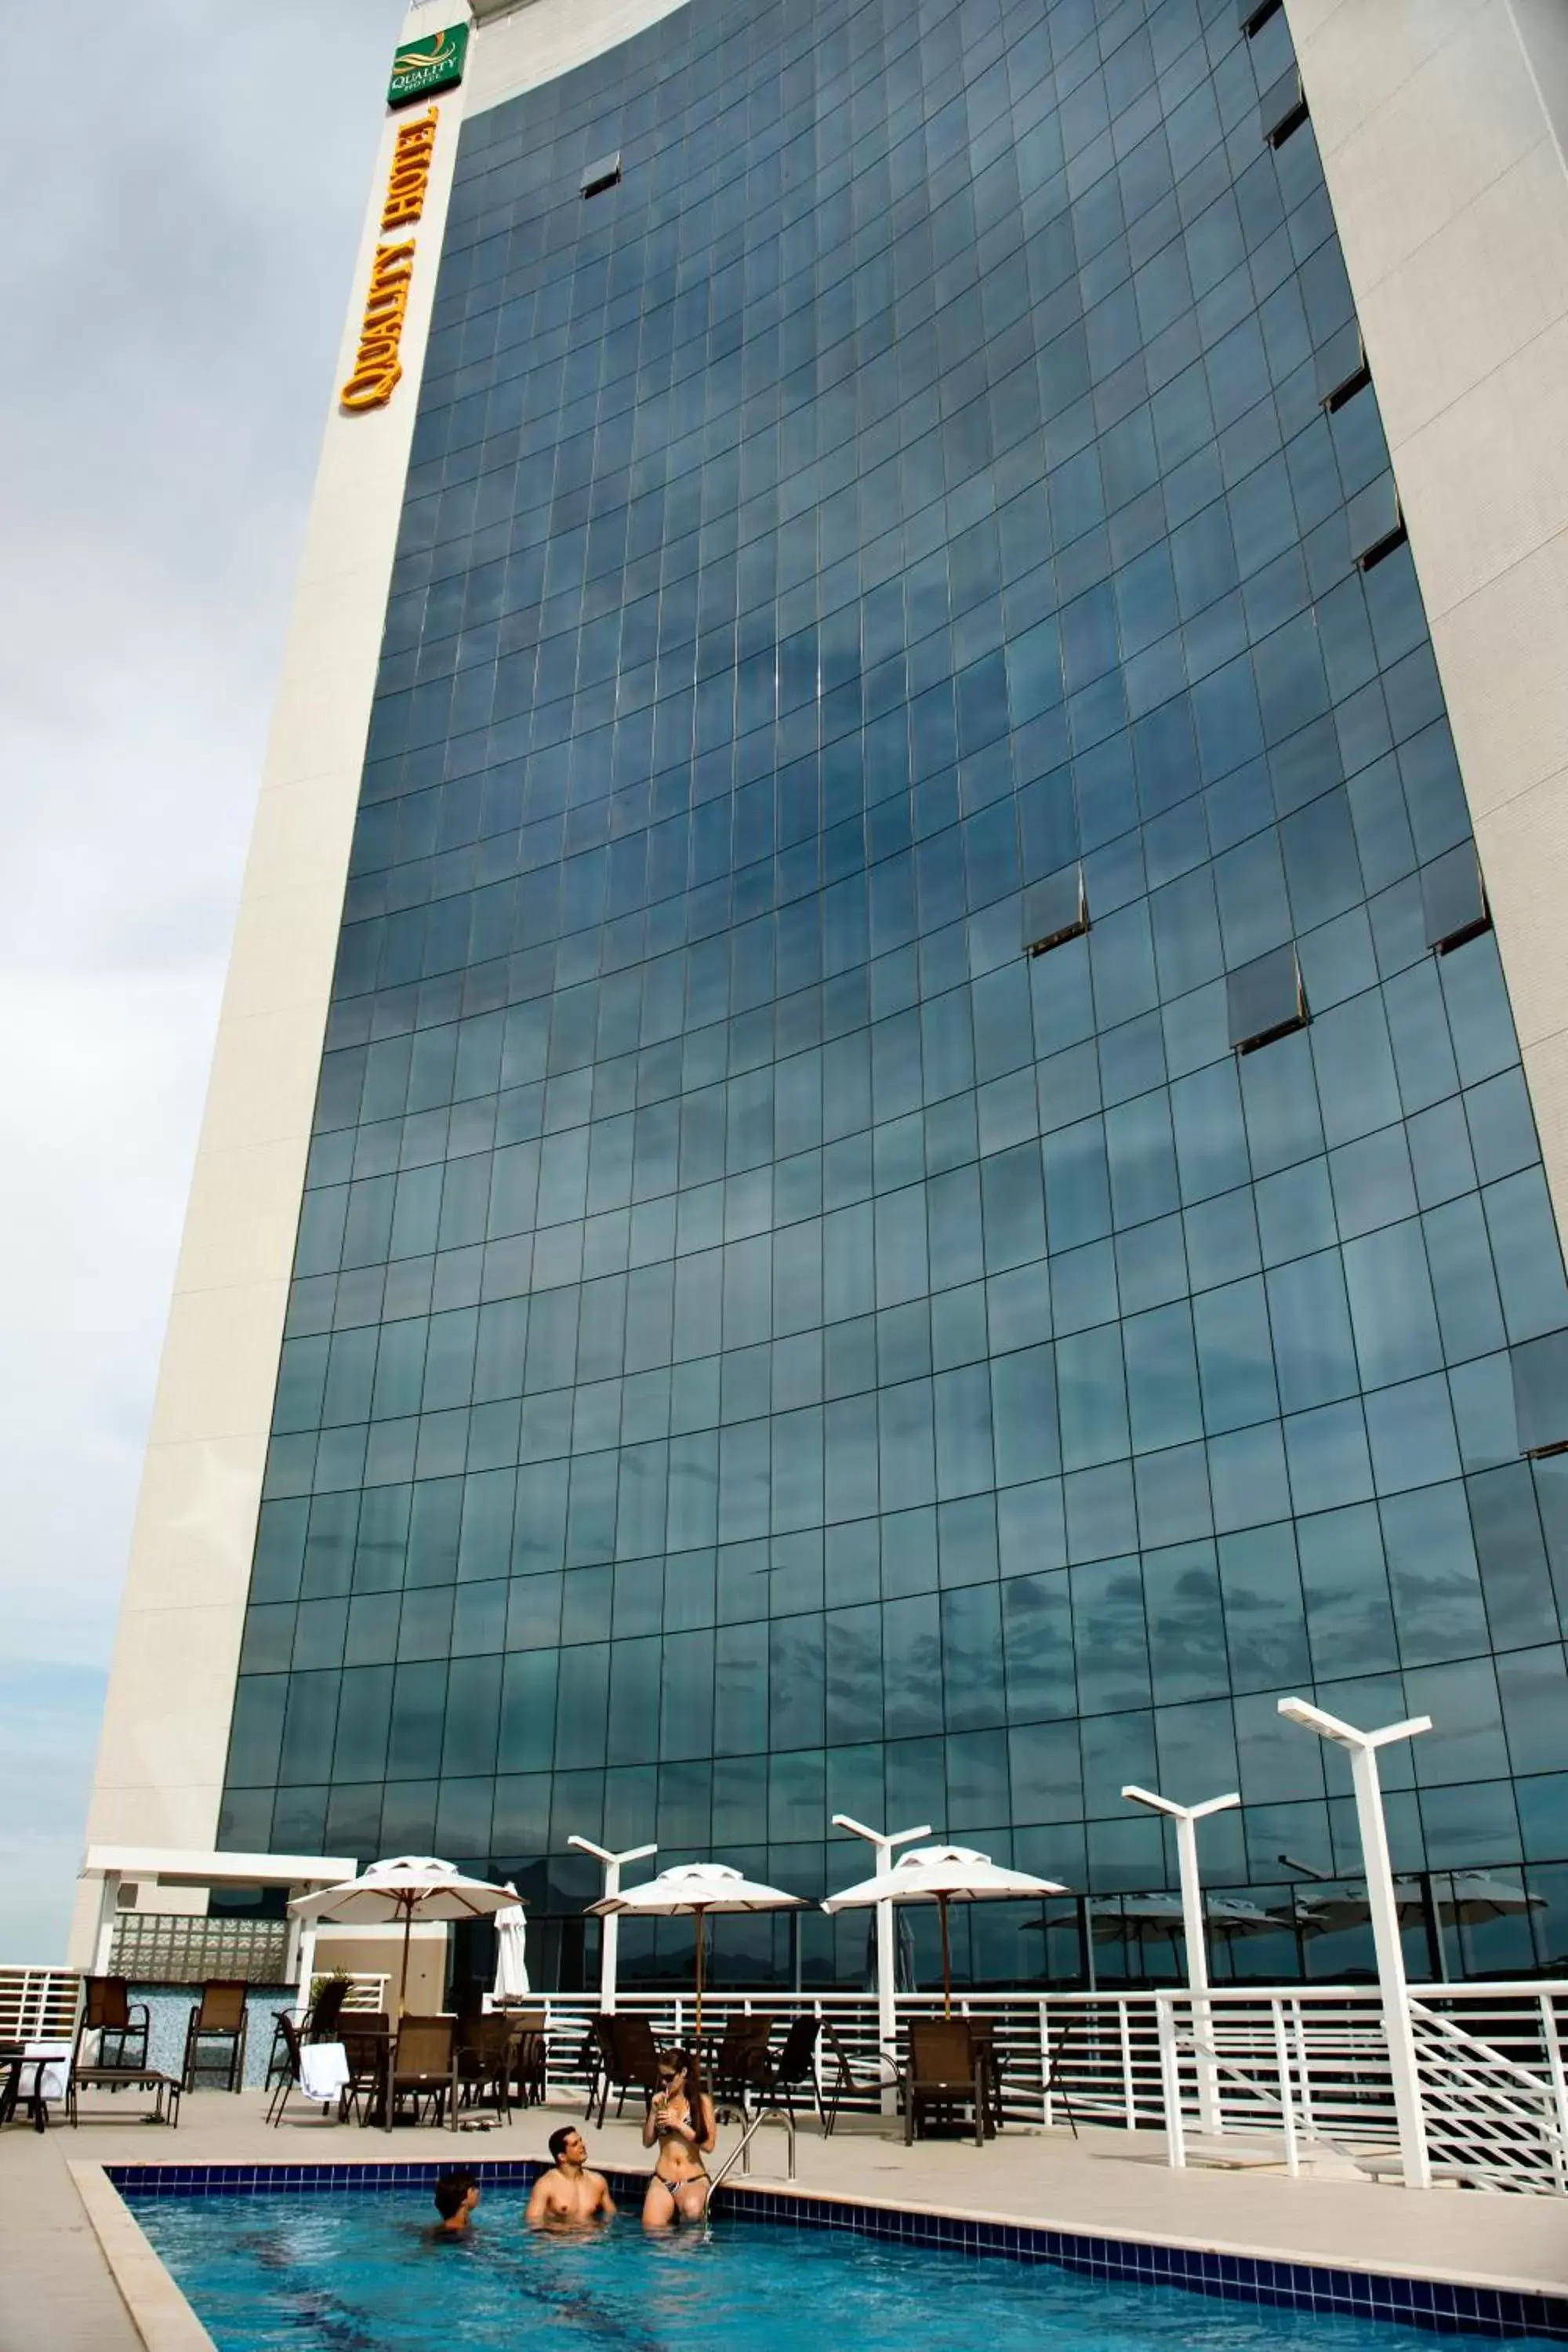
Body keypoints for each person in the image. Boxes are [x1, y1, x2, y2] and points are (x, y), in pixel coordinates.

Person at [641, 2048, 716, 2227]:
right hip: (663, 2178)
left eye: (669, 2077)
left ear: (683, 2073)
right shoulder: (661, 2101)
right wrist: (653, 2112)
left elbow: (709, 2146)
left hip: (692, 2178)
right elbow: (647, 2142)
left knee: (692, 2214)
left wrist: (679, 2125)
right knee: (651, 2227)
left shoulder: (702, 2102)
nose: (665, 2083)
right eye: (662, 2078)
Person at [524, 2124, 616, 2227]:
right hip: (561, 2241)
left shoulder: (597, 2181)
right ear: (562, 2157)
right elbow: (533, 2224)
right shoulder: (546, 2185)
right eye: (575, 2144)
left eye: (581, 2141)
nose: (583, 2145)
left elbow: (612, 2218)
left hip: (591, 2240)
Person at [431, 2170, 480, 2238]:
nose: (477, 2191)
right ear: (463, 2200)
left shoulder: (439, 2228)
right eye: (473, 2189)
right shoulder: (463, 2234)